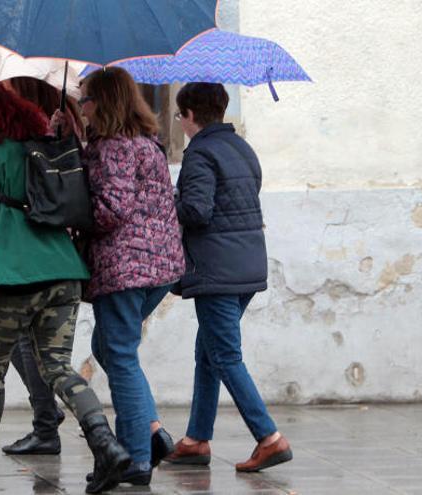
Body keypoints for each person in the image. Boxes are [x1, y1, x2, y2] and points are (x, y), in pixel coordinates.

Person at [0, 75, 131, 494]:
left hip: (10, 273)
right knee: (58, 368)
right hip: (61, 270)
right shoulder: (38, 140)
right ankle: (106, 446)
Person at [65, 67, 185, 486]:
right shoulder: (145, 143)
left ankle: (135, 457)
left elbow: (111, 208)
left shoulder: (114, 147)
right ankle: (151, 433)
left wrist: (73, 218)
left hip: (125, 268)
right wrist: (76, 144)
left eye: (85, 100)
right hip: (160, 267)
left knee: (120, 355)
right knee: (110, 346)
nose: (82, 108)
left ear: (104, 102)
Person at [164, 82, 293, 471]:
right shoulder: (242, 148)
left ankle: (269, 437)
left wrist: (169, 200)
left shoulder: (200, 154)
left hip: (216, 268)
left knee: (224, 355)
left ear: (189, 116)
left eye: (179, 116)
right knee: (208, 352)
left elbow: (198, 212)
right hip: (246, 265)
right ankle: (196, 439)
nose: (180, 122)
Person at [0, 76, 84, 457]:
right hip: (53, 247)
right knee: (23, 342)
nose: (6, 92)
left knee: (29, 342)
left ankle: (47, 422)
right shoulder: (56, 127)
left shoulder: (49, 133)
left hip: (40, 244)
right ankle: (46, 416)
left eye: (12, 88)